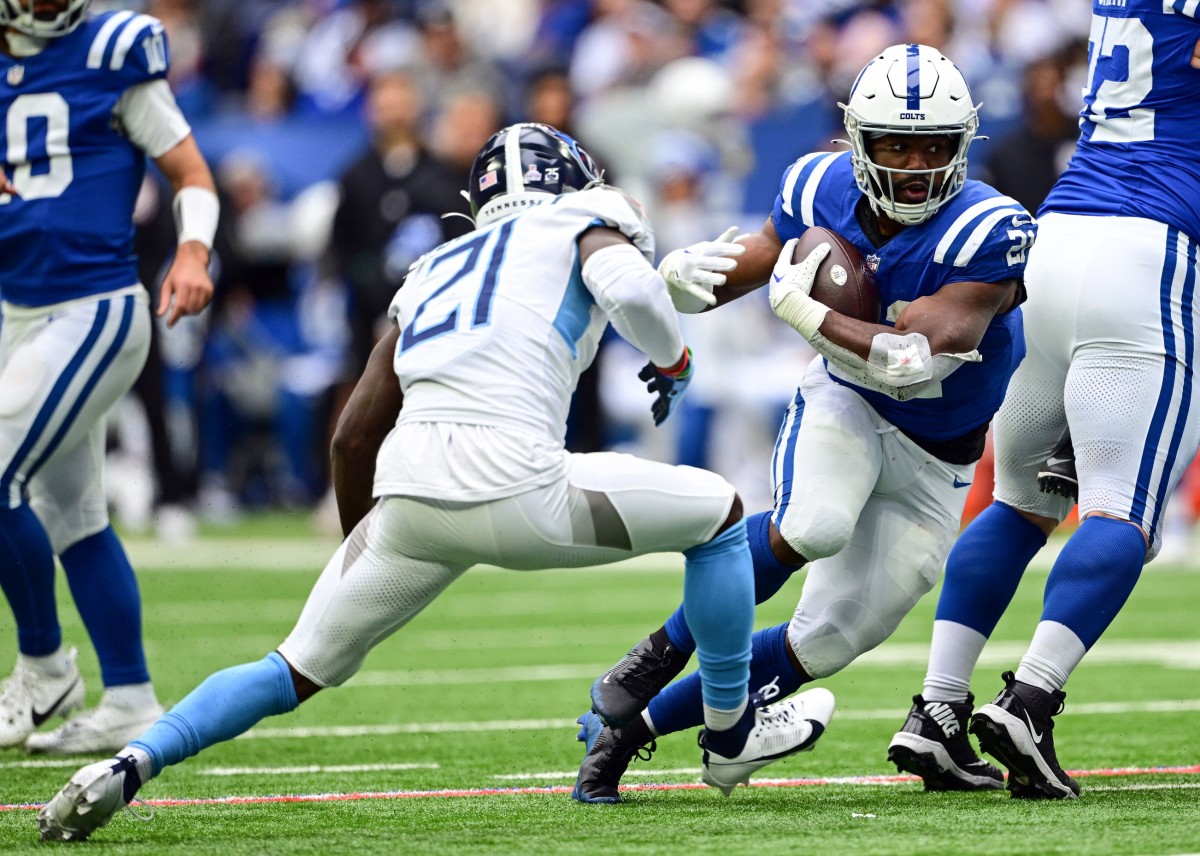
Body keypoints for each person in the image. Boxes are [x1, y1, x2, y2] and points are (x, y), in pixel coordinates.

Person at [36, 123, 835, 842]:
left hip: (410, 494)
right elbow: (629, 289)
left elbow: (353, 433)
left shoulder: (434, 267)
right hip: (521, 483)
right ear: (574, 178)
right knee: (723, 516)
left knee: (289, 668)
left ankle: (132, 764)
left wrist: (367, 542)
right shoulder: (583, 220)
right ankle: (730, 737)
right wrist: (673, 358)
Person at [572, 43, 1037, 803]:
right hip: (846, 402)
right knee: (815, 522)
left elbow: (915, 357)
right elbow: (757, 261)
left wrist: (806, 311)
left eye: (933, 146)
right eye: (895, 143)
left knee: (827, 640)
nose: (915, 163)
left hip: (939, 453)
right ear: (858, 140)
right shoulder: (817, 184)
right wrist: (685, 282)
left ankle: (632, 727)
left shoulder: (991, 227)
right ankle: (651, 656)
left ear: (963, 147)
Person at [887, 2, 1200, 799]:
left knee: (1023, 502)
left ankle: (937, 708)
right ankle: (1030, 696)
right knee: (1120, 510)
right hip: (1149, 249)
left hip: (1057, 238)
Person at [0, 0, 216, 755]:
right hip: (15, 312)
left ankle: (44, 665)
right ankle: (129, 697)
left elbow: (189, 170)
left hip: (91, 306)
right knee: (74, 515)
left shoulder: (111, 52)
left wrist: (193, 250)